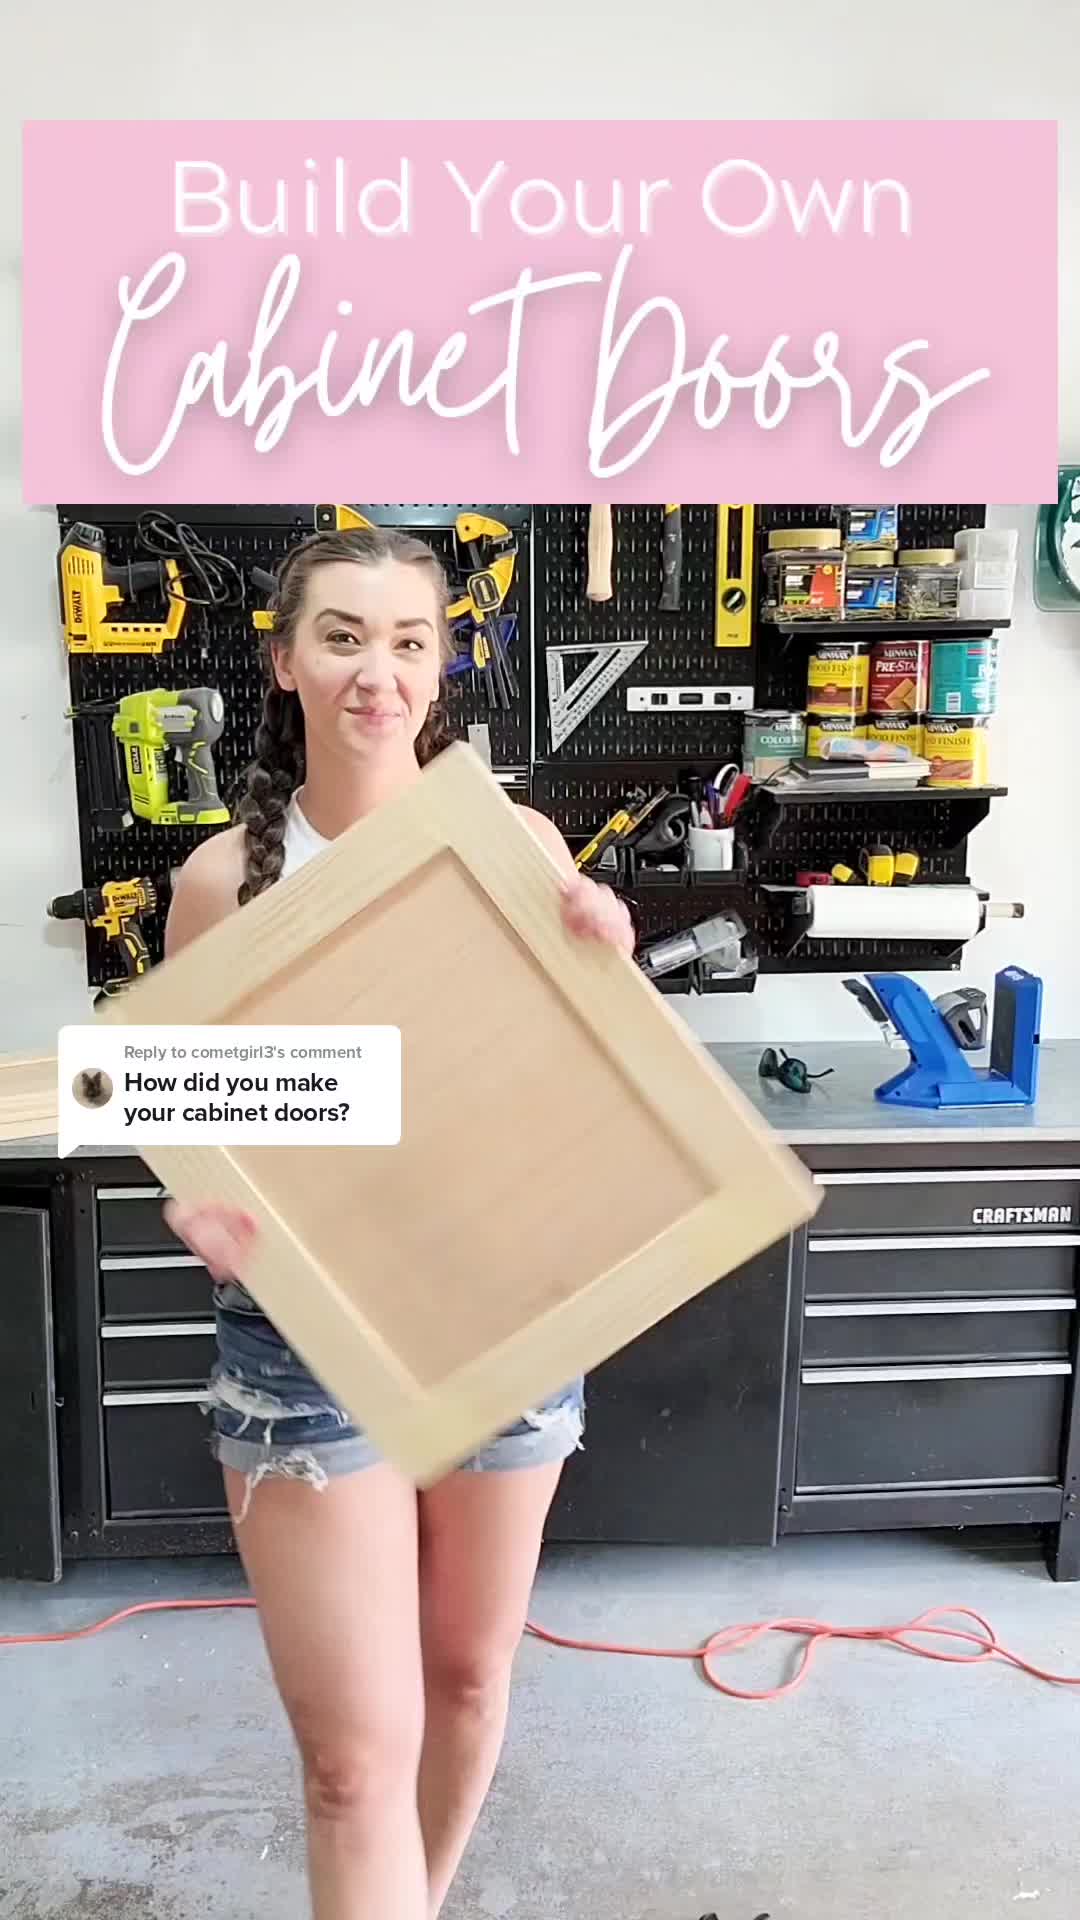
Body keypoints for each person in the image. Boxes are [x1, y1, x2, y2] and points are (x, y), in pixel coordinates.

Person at [162, 526, 635, 1920]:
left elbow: (587, 1093)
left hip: (505, 1308)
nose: (380, 672)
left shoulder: (515, 844)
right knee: (353, 1767)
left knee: (471, 1680)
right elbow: (193, 1124)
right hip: (307, 1337)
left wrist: (611, 974)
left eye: (410, 641)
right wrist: (201, 1197)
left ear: (443, 665)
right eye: (345, 638)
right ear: (285, 663)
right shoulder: (220, 883)